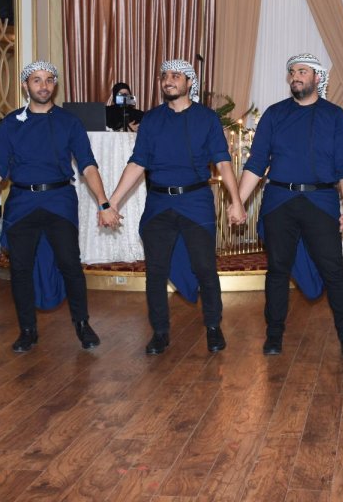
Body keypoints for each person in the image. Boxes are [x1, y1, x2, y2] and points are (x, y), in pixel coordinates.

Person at [0, 61, 115, 352]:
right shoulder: (11, 123)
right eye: (36, 80)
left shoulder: (69, 122)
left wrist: (104, 203)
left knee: (70, 264)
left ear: (54, 85)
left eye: (48, 80)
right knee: (21, 269)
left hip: (60, 200)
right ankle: (27, 330)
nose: (43, 85)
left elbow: (87, 165)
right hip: (21, 202)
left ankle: (82, 325)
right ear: (26, 85)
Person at [102, 60, 246, 354]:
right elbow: (137, 163)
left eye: (176, 76)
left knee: (205, 267)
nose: (168, 80)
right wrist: (111, 202)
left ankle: (213, 327)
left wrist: (236, 202)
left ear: (189, 82)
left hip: (196, 202)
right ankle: (160, 332)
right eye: (165, 76)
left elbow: (222, 162)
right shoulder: (152, 120)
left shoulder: (207, 118)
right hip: (158, 204)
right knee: (155, 271)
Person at [237, 53, 343, 358]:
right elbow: (256, 163)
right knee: (277, 270)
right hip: (279, 201)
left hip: (321, 201)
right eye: (292, 71)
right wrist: (238, 202)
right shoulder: (274, 114)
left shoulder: (335, 116)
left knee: (334, 269)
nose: (296, 76)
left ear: (317, 77)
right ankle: (274, 335)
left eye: (302, 71)